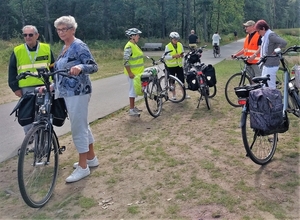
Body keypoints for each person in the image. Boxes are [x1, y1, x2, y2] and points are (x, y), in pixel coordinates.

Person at [52, 15, 99, 183]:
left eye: (64, 29)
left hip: (78, 92)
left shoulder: (79, 45)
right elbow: (61, 71)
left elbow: (93, 66)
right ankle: (91, 158)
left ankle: (83, 167)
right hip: (67, 93)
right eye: (58, 29)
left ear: (72, 29)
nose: (60, 32)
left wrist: (80, 66)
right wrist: (53, 86)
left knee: (78, 128)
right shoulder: (65, 47)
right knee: (83, 125)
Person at [8, 25, 55, 143]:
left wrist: (56, 82)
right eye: (25, 35)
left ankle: (45, 140)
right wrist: (15, 88)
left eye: (30, 35)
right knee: (27, 114)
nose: (28, 37)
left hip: (44, 86)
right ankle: (29, 137)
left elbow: (53, 67)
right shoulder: (17, 50)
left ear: (37, 35)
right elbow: (12, 70)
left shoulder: (46, 48)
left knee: (46, 113)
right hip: (26, 88)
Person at [255, 19, 287, 89]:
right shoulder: (265, 37)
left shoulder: (271, 35)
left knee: (270, 86)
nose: (258, 33)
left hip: (271, 64)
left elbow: (284, 42)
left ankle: (274, 99)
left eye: (258, 31)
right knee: (264, 85)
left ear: (263, 28)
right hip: (266, 64)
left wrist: (277, 49)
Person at [123, 28, 144, 117]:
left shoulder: (135, 45)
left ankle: (133, 107)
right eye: (137, 35)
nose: (139, 36)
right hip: (133, 74)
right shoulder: (129, 46)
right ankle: (131, 110)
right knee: (132, 91)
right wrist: (130, 73)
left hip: (137, 73)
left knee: (135, 90)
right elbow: (126, 61)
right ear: (132, 36)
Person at [165, 32, 190, 99]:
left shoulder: (180, 45)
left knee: (182, 81)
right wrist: (173, 56)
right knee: (172, 82)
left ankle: (184, 94)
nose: (176, 41)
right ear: (171, 39)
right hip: (171, 67)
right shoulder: (168, 46)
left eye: (177, 39)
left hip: (179, 66)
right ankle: (173, 95)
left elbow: (182, 53)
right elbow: (166, 57)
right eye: (174, 39)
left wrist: (181, 55)